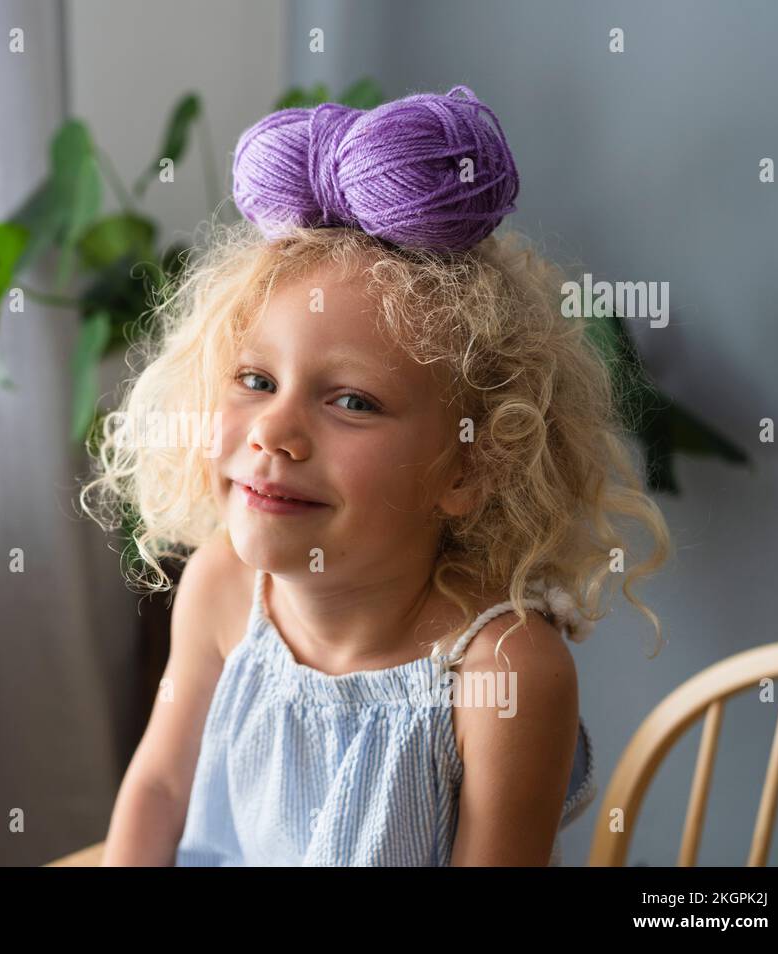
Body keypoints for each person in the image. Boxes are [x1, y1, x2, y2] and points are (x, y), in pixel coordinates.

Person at [82, 86, 671, 866]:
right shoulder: (223, 586)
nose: (275, 433)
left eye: (352, 401)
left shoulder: (503, 670)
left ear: (468, 465)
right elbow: (160, 788)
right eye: (255, 380)